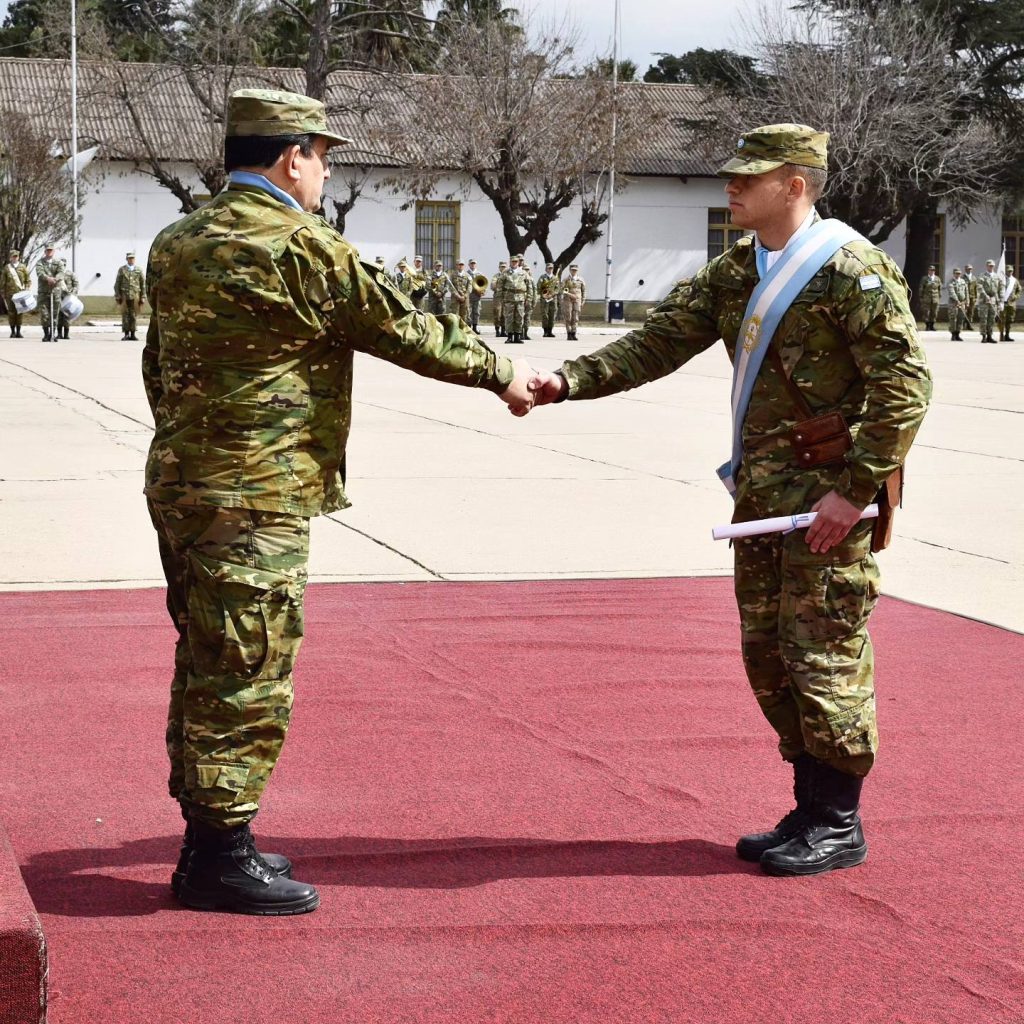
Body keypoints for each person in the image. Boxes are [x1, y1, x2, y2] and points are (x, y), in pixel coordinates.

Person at [142, 88, 534, 916]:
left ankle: (210, 836)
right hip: (256, 497)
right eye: (323, 158)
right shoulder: (300, 246)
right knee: (249, 668)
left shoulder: (176, 240)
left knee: (207, 656)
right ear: (293, 158)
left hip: (182, 481)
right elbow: (405, 327)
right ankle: (217, 856)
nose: (324, 174)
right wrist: (503, 373)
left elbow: (159, 363)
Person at [524, 124, 932, 877]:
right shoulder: (737, 269)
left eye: (751, 176)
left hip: (827, 508)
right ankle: (808, 807)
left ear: (796, 185)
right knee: (769, 655)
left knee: (824, 653)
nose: (732, 186)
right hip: (763, 501)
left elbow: (904, 389)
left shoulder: (851, 269)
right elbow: (657, 342)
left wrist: (854, 491)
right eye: (733, 174)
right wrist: (568, 381)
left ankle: (838, 821)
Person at [35, 243, 64, 343]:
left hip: (55, 291)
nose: (49, 252)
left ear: (54, 251)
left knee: (55, 313)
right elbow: (40, 273)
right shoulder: (40, 262)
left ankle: (53, 334)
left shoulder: (59, 262)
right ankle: (46, 334)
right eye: (47, 250)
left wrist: (55, 279)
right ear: (45, 251)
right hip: (43, 292)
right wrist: (47, 278)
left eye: (51, 250)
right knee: (44, 314)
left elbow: (61, 273)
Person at [114, 251, 146, 341]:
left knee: (133, 315)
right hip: (124, 295)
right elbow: (117, 283)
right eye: (129, 258)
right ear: (127, 259)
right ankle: (126, 334)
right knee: (125, 314)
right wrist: (117, 295)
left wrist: (143, 296)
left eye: (132, 258)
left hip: (135, 295)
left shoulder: (138, 270)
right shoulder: (122, 270)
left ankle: (133, 334)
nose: (131, 260)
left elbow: (143, 284)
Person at [3, 249, 31, 338]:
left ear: (18, 257)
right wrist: (2, 292)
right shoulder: (7, 268)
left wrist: (27, 288)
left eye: (16, 256)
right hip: (10, 294)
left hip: (20, 293)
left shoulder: (23, 267)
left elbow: (28, 279)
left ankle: (18, 332)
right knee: (11, 312)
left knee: (20, 312)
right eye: (13, 256)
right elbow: (3, 281)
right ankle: (12, 332)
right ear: (10, 257)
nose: (15, 258)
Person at [504, 254, 529, 344]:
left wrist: (529, 298)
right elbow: (500, 285)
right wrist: (502, 297)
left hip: (520, 297)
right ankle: (510, 337)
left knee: (519, 317)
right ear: (510, 262)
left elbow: (529, 285)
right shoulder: (505, 272)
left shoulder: (523, 273)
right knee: (509, 318)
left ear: (518, 263)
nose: (514, 263)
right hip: (509, 297)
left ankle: (517, 337)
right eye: (513, 262)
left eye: (516, 262)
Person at [977, 259, 1003, 343]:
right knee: (984, 318)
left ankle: (989, 336)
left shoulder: (996, 276)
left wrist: (999, 301)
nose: (991, 267)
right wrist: (985, 295)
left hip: (993, 300)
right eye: (989, 266)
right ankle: (984, 336)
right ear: (987, 266)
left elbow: (999, 288)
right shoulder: (982, 276)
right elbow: (979, 287)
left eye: (992, 266)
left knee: (991, 319)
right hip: (984, 300)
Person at [561, 264, 585, 341]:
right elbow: (562, 289)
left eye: (575, 270)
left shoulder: (580, 280)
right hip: (568, 300)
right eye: (572, 270)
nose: (574, 271)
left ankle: (573, 333)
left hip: (577, 300)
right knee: (568, 316)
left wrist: (583, 300)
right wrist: (570, 294)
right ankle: (569, 333)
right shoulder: (566, 280)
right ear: (570, 270)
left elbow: (583, 291)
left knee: (575, 317)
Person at [55, 261, 78, 340]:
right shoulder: (56, 274)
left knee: (67, 316)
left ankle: (66, 334)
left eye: (63, 265)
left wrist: (73, 293)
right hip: (58, 297)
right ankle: (59, 334)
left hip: (68, 298)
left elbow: (76, 285)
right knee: (58, 316)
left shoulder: (70, 274)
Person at [537, 262, 559, 337]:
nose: (550, 269)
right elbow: (539, 287)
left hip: (553, 299)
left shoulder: (555, 278)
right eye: (549, 268)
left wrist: (552, 294)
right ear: (546, 269)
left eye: (551, 268)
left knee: (552, 315)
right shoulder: (542, 277)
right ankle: (545, 331)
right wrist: (544, 295)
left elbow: (557, 289)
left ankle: (550, 331)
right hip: (544, 299)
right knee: (545, 315)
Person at [917, 264, 941, 331]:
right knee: (926, 312)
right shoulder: (924, 278)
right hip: (926, 298)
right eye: (930, 270)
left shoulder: (937, 279)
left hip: (935, 298)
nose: (932, 271)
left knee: (934, 312)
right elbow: (921, 288)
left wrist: (939, 296)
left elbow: (939, 288)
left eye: (933, 270)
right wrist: (921, 297)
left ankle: (932, 326)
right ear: (928, 271)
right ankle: (927, 326)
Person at [946, 267, 968, 341]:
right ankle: (953, 334)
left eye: (959, 273)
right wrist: (957, 300)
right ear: (954, 274)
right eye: (956, 273)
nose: (958, 275)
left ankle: (958, 334)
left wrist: (967, 301)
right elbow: (951, 292)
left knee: (960, 318)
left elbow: (966, 291)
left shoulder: (963, 281)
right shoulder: (950, 282)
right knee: (953, 319)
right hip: (953, 303)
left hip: (962, 303)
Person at [1000, 264, 1020, 342]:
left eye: (1011, 271)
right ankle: (1001, 335)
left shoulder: (1015, 280)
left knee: (1010, 320)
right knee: (1002, 320)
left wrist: (1015, 296)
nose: (1010, 272)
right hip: (1003, 303)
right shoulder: (1002, 280)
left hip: (1011, 304)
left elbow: (1019, 290)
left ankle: (1007, 335)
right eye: (1008, 271)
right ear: (1006, 271)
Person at [491, 260, 508, 337]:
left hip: (506, 297)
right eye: (502, 267)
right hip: (498, 297)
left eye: (504, 267)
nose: (503, 268)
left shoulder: (508, 276)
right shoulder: (496, 276)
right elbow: (493, 285)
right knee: (497, 313)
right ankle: (497, 330)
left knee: (504, 314)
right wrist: (497, 287)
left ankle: (503, 331)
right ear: (499, 267)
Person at [467, 258, 484, 331]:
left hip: (477, 296)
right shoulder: (466, 274)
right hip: (469, 296)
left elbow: (483, 284)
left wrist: (482, 292)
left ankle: (475, 327)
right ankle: (468, 327)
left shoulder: (480, 274)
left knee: (477, 312)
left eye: (474, 263)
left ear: (476, 264)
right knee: (468, 312)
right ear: (469, 265)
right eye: (471, 263)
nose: (473, 265)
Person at [963, 264, 978, 328]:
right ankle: (963, 325)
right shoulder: (962, 278)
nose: (969, 270)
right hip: (965, 297)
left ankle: (969, 324)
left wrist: (976, 297)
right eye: (968, 269)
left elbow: (976, 288)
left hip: (972, 296)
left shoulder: (974, 278)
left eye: (970, 269)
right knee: (965, 311)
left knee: (971, 311)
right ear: (965, 269)